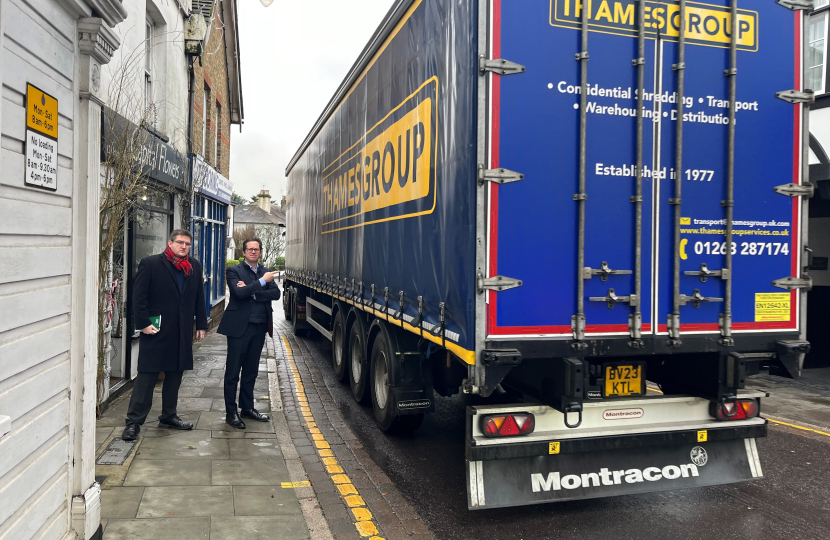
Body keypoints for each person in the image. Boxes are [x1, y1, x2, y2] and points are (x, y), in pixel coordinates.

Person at [122, 230, 208, 441]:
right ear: (170, 243)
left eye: (187, 243)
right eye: (180, 242)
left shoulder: (194, 266)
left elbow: (199, 296)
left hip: (181, 331)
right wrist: (142, 324)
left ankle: (169, 415)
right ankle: (133, 422)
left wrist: (201, 324)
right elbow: (138, 296)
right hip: (156, 330)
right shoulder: (151, 264)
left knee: (175, 376)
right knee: (147, 377)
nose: (184, 246)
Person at [217, 238, 281, 429]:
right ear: (243, 252)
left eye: (256, 249)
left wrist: (253, 291)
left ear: (260, 252)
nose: (253, 252)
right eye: (249, 249)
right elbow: (238, 294)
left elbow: (276, 294)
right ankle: (231, 412)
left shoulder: (265, 270)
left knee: (251, 371)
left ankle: (247, 408)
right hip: (238, 329)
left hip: (259, 327)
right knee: (233, 372)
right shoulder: (234, 271)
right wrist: (262, 283)